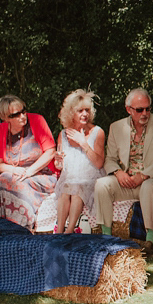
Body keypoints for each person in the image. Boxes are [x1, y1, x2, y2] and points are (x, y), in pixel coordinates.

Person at [94, 88, 153, 257]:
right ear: (128, 110)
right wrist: (118, 173)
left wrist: (145, 174)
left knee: (147, 185)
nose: (145, 113)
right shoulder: (116, 127)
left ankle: (150, 239)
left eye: (148, 108)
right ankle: (106, 236)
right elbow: (109, 159)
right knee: (101, 184)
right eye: (140, 110)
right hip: (130, 180)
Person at [0, 95, 58, 230]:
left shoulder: (37, 120)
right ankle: (4, 227)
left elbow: (50, 152)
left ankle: (23, 226)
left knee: (17, 184)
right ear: (5, 118)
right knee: (4, 177)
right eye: (16, 114)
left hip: (43, 174)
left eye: (23, 111)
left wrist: (29, 172)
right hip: (18, 175)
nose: (23, 116)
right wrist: (16, 171)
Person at [51, 89, 105, 234]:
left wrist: (84, 143)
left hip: (91, 177)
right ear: (70, 113)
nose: (85, 114)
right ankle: (59, 232)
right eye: (80, 111)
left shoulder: (97, 132)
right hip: (70, 177)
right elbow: (61, 166)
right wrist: (58, 162)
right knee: (65, 190)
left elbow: (99, 163)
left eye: (87, 110)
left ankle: (69, 231)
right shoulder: (63, 134)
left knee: (77, 189)